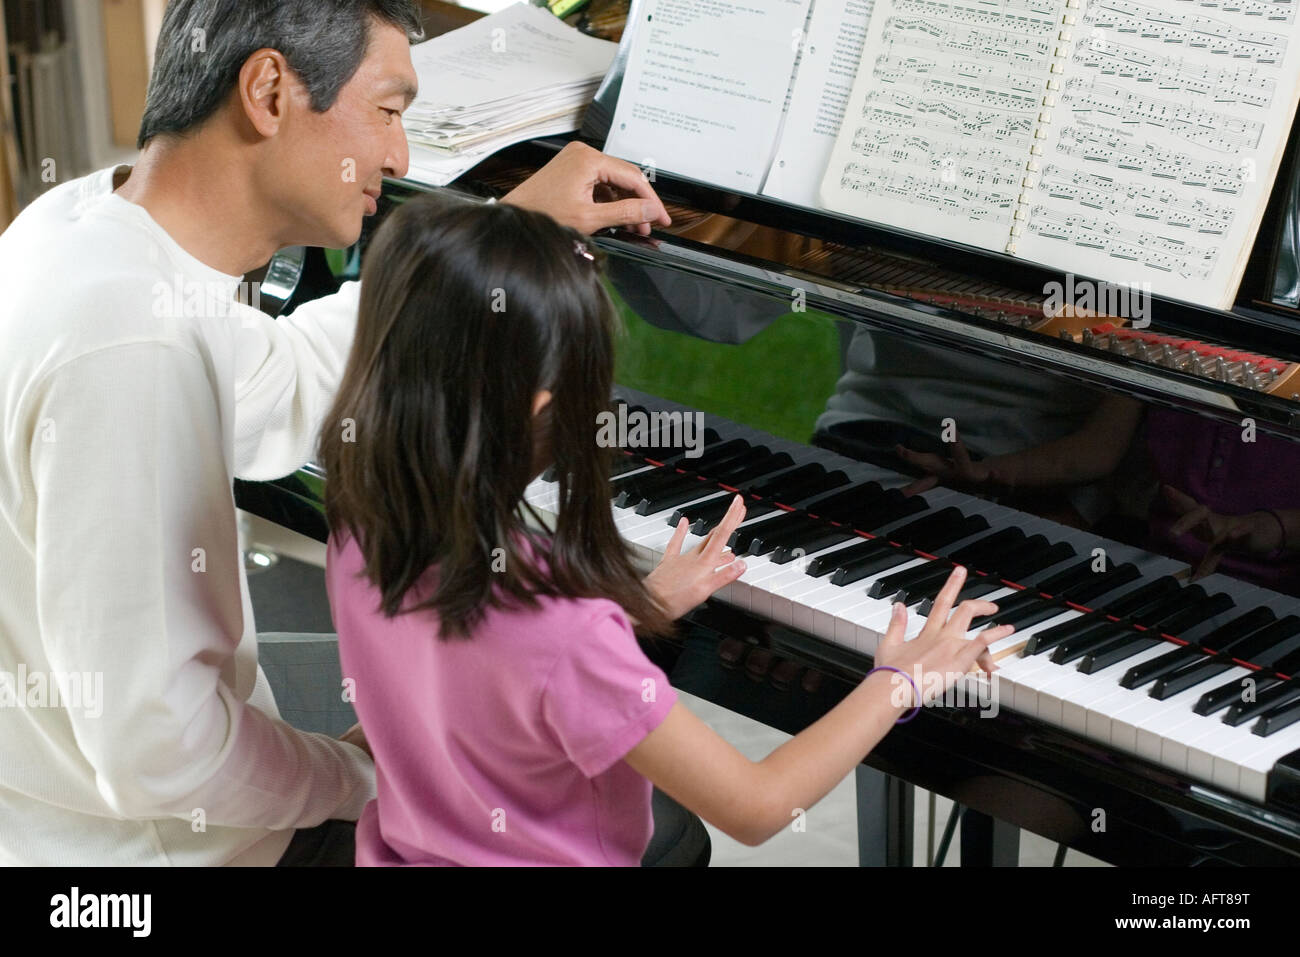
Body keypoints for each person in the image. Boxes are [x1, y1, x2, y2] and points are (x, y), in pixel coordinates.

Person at [0, 0, 670, 866]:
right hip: (161, 852)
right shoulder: (133, 342)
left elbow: (281, 378)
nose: (398, 157)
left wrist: (500, 228)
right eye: (388, 110)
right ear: (270, 91)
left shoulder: (81, 227)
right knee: (647, 830)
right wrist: (360, 773)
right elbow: (158, 751)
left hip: (54, 806)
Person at [320, 192, 1011, 866]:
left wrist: (632, 610)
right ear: (540, 401)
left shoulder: (360, 521)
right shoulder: (565, 629)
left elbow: (465, 684)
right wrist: (900, 679)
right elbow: (758, 805)